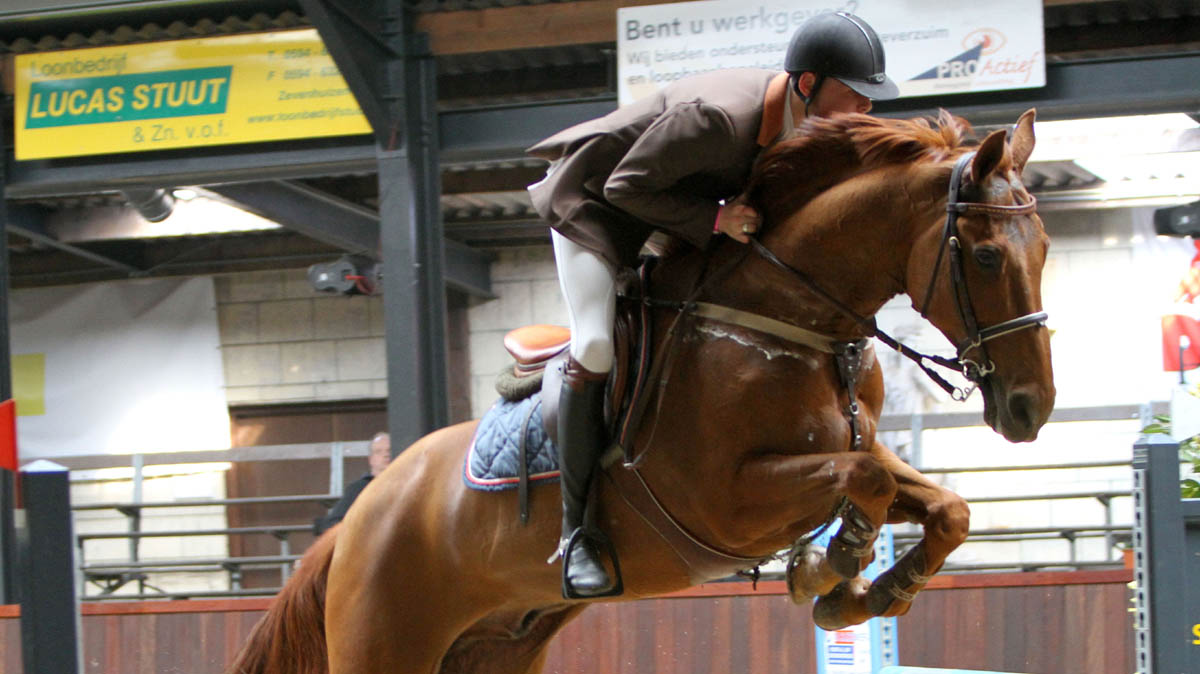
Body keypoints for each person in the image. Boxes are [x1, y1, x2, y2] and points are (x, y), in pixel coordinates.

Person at [526, 12, 900, 598]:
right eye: (856, 95)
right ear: (807, 84)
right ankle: (578, 534)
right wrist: (718, 219)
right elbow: (626, 187)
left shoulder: (801, 126)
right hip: (593, 206)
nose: (865, 109)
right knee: (596, 344)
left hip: (663, 209)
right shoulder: (721, 119)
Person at [314, 432, 392, 535]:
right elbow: (333, 523)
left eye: (389, 450)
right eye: (378, 452)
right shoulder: (358, 489)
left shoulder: (406, 487)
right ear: (371, 459)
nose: (386, 455)